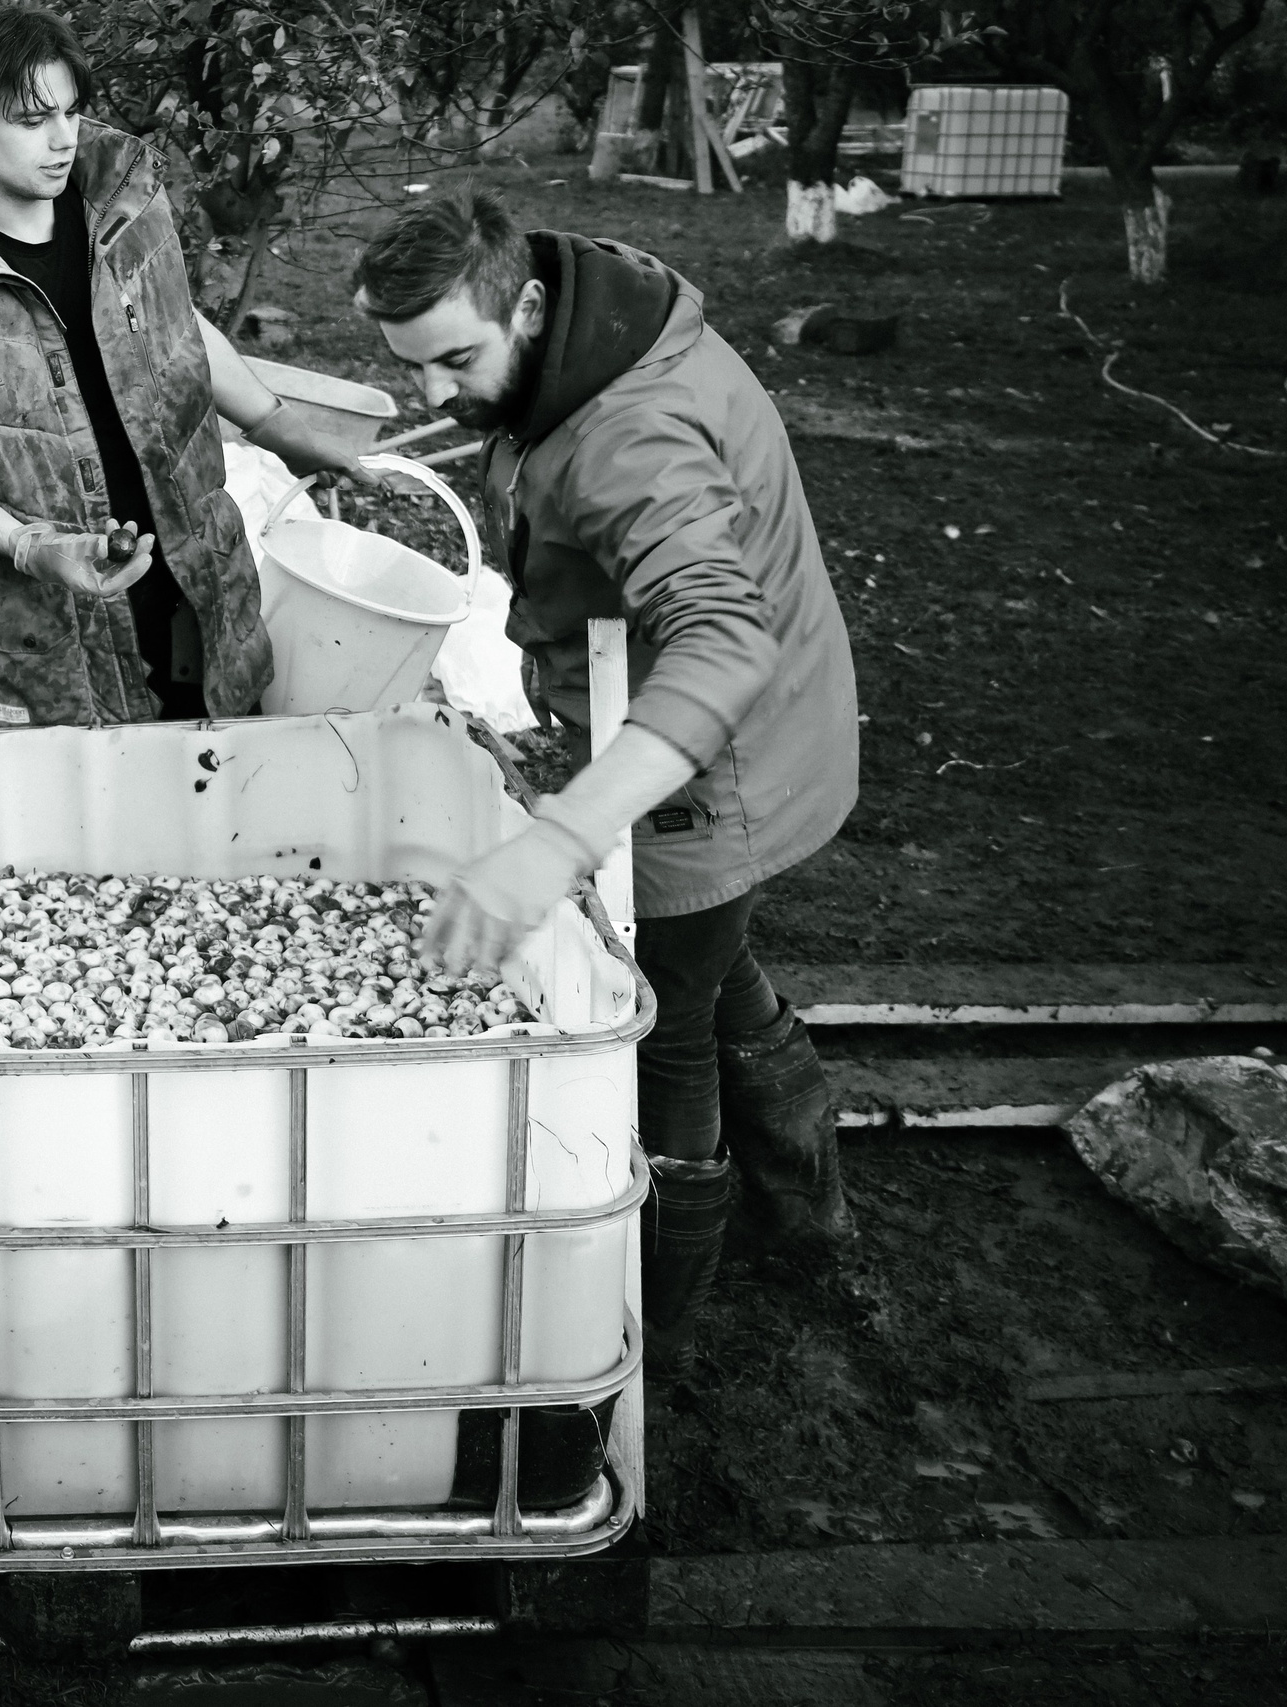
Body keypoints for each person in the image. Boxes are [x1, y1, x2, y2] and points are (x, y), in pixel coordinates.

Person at [352, 192, 862, 1380]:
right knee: (713, 964)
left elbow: (724, 641)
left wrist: (559, 836)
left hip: (715, 768)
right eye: (410, 366)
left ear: (524, 303)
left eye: (454, 361)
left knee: (662, 1029)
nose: (435, 395)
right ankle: (810, 1219)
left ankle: (656, 1329)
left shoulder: (630, 430)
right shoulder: (594, 323)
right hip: (705, 740)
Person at [0, 2, 371, 729]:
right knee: (88, 825)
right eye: (33, 121)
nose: (63, 140)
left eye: (70, 112)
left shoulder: (122, 207)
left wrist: (277, 425)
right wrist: (33, 546)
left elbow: (177, 327)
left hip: (194, 585)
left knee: (232, 787)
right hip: (54, 631)